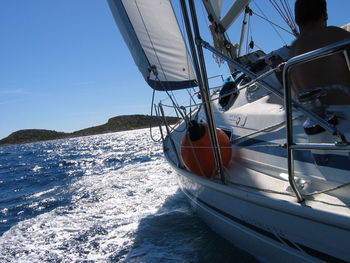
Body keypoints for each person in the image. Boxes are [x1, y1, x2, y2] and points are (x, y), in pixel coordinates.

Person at [289, 0, 350, 105]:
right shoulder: (333, 34)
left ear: (297, 20)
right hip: (345, 113)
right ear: (325, 15)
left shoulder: (293, 49)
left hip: (316, 117)